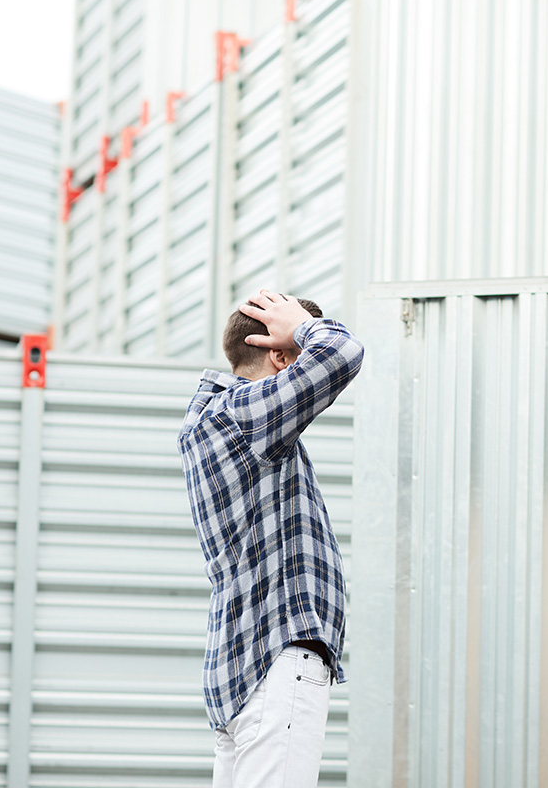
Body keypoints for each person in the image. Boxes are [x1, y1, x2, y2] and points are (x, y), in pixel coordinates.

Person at [177, 290, 364, 787]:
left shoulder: (218, 421)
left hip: (243, 672)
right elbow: (343, 354)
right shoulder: (244, 417)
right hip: (276, 664)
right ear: (280, 355)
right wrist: (301, 325)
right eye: (296, 352)